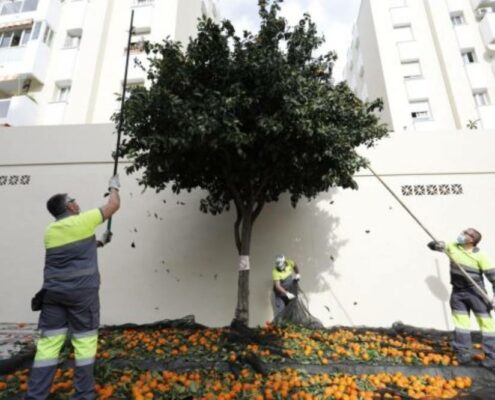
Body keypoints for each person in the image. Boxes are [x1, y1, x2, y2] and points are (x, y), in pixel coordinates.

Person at [25, 175, 121, 400]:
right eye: (74, 200)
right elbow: (114, 205)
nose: (77, 202)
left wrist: (100, 242)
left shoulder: (51, 231)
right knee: (84, 345)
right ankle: (83, 395)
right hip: (82, 296)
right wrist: (113, 187)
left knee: (48, 348)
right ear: (69, 206)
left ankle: (35, 396)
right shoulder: (83, 221)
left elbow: (73, 251)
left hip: (53, 296)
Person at [428, 228, 495, 367]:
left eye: (466, 233)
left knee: (486, 324)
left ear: (472, 240)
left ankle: (491, 356)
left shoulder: (480, 256)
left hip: (476, 293)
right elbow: (432, 245)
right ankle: (463, 352)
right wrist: (436, 245)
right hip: (458, 293)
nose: (462, 234)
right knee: (461, 324)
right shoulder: (453, 246)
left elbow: (493, 277)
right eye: (464, 231)